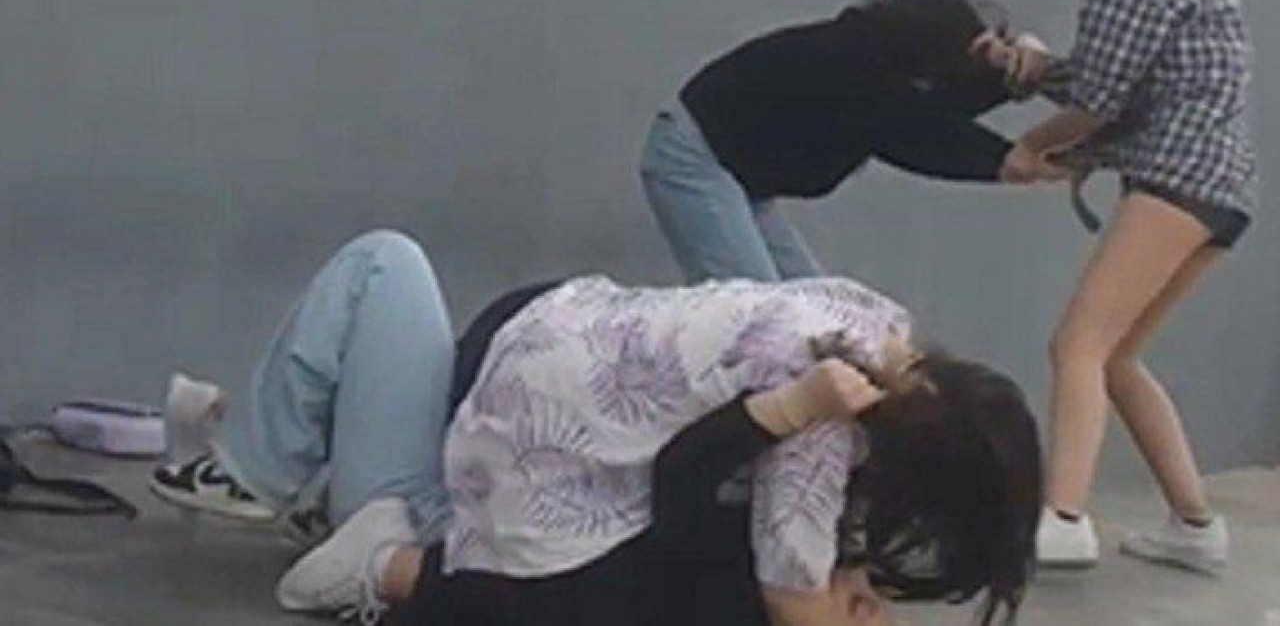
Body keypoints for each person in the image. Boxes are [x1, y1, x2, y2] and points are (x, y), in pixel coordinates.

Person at [151, 231, 1042, 626]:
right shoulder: (816, 440)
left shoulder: (872, 324)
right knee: (385, 266)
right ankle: (327, 518)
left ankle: (271, 467)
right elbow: (790, 595)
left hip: (521, 358)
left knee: (386, 263)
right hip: (455, 473)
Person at [973, 0, 1256, 574]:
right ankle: (1196, 526)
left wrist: (1028, 148)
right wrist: (1032, 69)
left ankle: (1065, 520)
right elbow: (1116, 80)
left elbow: (1098, 101)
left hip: (1175, 183)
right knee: (1118, 355)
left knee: (1077, 344)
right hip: (1222, 193)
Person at [638, 0, 1048, 282]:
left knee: (817, 310)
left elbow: (929, 107)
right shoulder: (856, 72)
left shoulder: (885, 60)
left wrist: (1016, 76)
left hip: (745, 171)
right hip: (697, 157)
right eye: (981, 50)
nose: (996, 52)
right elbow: (914, 132)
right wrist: (1001, 159)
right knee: (758, 317)